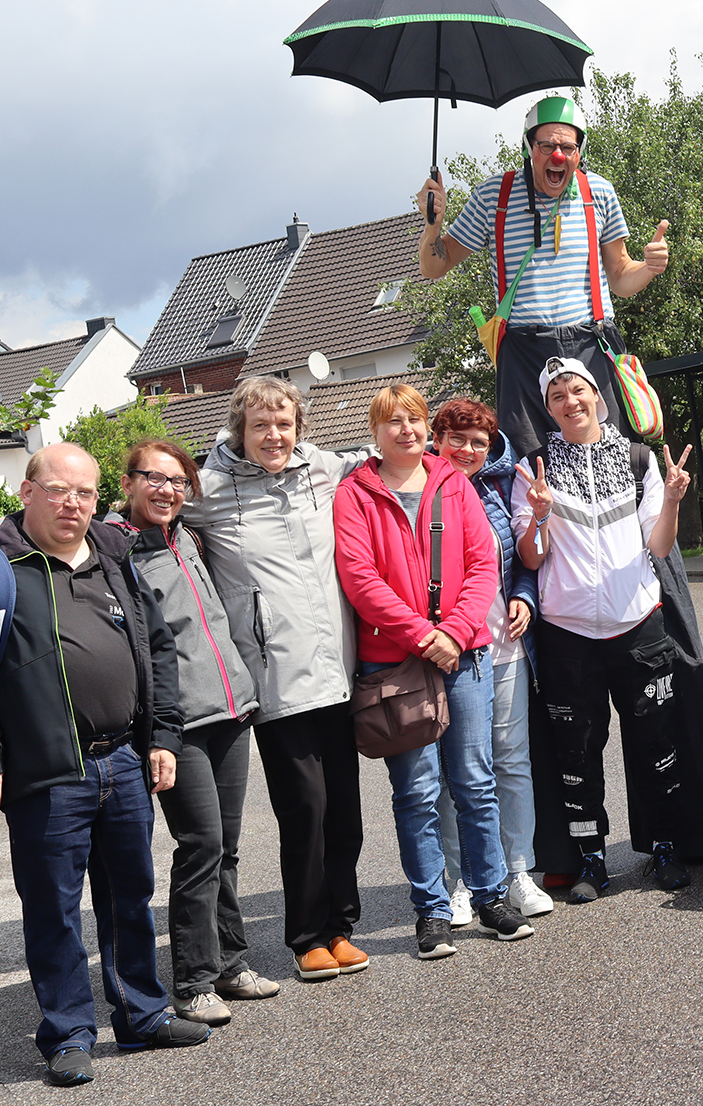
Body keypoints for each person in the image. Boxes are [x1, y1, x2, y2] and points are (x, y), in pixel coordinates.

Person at [0, 443, 208, 1088]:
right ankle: (68, 1034)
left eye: (84, 493)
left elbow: (156, 649)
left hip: (124, 760)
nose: (72, 503)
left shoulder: (115, 560)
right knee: (53, 908)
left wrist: (161, 735)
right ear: (28, 493)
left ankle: (141, 1014)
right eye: (58, 490)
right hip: (43, 772)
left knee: (131, 897)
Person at [333, 384, 531, 957]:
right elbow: (360, 577)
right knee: (417, 791)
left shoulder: (452, 482)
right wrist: (423, 636)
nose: (407, 431)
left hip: (464, 655)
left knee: (475, 782)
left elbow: (482, 565)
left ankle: (492, 895)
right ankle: (433, 910)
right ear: (375, 431)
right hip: (396, 664)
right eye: (394, 422)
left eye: (415, 420)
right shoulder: (356, 494)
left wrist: (454, 633)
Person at [189, 378, 371, 983]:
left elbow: (392, 454)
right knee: (305, 810)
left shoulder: (321, 470)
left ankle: (342, 925)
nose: (274, 436)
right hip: (273, 676)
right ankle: (308, 937)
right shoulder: (208, 489)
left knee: (345, 809)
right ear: (239, 429)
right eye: (261, 425)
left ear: (300, 428)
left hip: (336, 667)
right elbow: (144, 512)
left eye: (284, 424)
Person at [514, 357, 703, 901]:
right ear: (547, 408)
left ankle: (664, 846)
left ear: (598, 394)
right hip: (567, 633)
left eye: (577, 390)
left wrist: (670, 499)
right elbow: (532, 556)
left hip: (637, 624)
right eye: (557, 396)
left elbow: (659, 546)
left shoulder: (638, 456)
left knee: (655, 741)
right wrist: (539, 514)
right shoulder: (535, 465)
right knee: (577, 750)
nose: (570, 402)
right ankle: (591, 858)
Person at [116, 439, 276, 1027]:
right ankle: (193, 981)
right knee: (201, 845)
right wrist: (155, 729)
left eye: (178, 481)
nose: (166, 491)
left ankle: (231, 964)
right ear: (129, 483)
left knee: (225, 848)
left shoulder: (188, 538)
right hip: (178, 724)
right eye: (153, 479)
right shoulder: (119, 553)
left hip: (231, 712)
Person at [415, 95, 671, 458]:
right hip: (523, 351)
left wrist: (648, 267)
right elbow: (435, 266)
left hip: (591, 344)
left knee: (614, 457)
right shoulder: (495, 195)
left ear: (580, 151)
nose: (558, 156)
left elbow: (620, 278)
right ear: (528, 147)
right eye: (547, 145)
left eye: (568, 146)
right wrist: (432, 227)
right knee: (530, 467)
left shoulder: (598, 192)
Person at [429, 398, 552, 921]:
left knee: (510, 760)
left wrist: (524, 593)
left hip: (504, 643)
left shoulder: (501, 486)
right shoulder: (420, 490)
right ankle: (465, 879)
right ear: (437, 439)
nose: (467, 450)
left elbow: (517, 558)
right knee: (456, 773)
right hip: (446, 651)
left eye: (478, 441)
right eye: (456, 439)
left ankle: (518, 870)